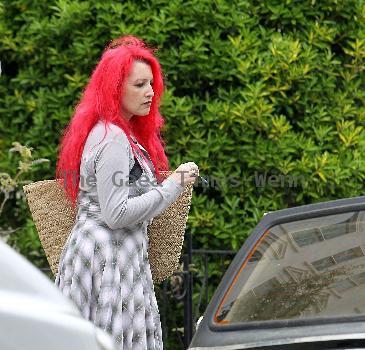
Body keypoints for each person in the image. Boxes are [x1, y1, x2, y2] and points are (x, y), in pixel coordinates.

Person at [54, 35, 199, 350]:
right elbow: (116, 214)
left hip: (110, 258)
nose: (150, 92)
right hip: (109, 262)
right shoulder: (114, 138)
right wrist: (173, 185)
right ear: (115, 88)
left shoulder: (116, 133)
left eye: (151, 84)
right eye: (139, 85)